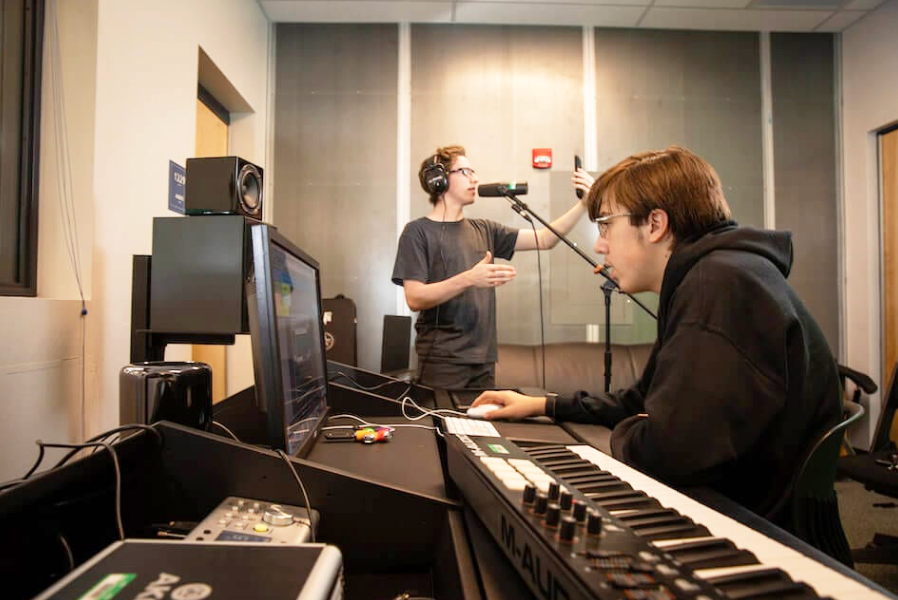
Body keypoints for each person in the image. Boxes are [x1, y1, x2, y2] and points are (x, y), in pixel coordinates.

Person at [471, 145, 842, 526]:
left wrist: (635, 428)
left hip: (753, 532)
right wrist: (543, 405)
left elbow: (668, 454)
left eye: (605, 226)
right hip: (745, 507)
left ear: (654, 224)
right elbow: (641, 400)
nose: (600, 246)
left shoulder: (715, 287)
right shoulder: (717, 275)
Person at [391, 145, 594, 390]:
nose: (475, 179)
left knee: (480, 429)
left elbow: (545, 239)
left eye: (474, 171)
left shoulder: (485, 229)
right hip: (442, 362)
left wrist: (585, 204)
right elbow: (415, 297)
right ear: (439, 179)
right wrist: (469, 278)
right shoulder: (417, 232)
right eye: (465, 171)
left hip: (484, 361)